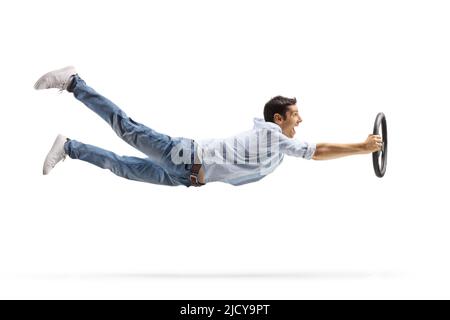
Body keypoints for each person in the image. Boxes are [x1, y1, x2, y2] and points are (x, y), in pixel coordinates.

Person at [34, 66, 383, 187]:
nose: (301, 120)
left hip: (185, 177)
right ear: (278, 119)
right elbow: (317, 152)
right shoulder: (271, 136)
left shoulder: (276, 154)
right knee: (125, 127)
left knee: (121, 167)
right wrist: (361, 147)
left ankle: (68, 147)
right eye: (295, 115)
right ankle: (73, 82)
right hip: (184, 155)